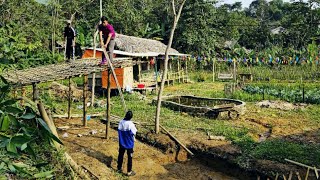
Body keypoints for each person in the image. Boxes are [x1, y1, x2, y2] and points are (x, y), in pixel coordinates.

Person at [117, 110, 137, 176]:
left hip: (122, 142)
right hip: (129, 144)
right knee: (130, 157)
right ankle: (129, 171)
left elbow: (119, 131)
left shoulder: (120, 122)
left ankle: (119, 168)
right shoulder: (131, 124)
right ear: (131, 117)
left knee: (120, 155)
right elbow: (134, 132)